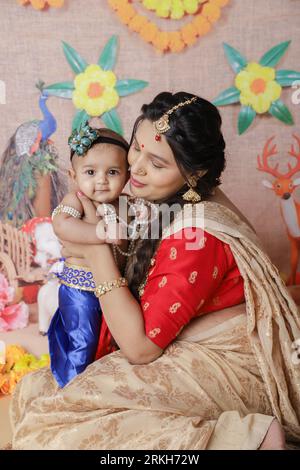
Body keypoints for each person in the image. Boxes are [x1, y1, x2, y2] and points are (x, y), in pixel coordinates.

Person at [10, 92, 300, 449]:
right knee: (36, 392)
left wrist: (95, 250)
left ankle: (245, 438)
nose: (137, 168)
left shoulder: (196, 235)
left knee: (50, 427)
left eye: (157, 163)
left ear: (195, 172)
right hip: (177, 344)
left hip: (221, 364)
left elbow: (141, 348)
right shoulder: (177, 196)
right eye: (136, 148)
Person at [48, 125, 132, 387]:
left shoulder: (125, 204)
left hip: (114, 289)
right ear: (73, 176)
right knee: (83, 341)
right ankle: (71, 390)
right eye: (90, 172)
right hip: (80, 288)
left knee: (111, 342)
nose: (102, 180)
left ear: (127, 176)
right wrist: (100, 231)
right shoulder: (76, 198)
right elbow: (61, 224)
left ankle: (100, 386)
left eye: (113, 172)